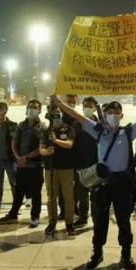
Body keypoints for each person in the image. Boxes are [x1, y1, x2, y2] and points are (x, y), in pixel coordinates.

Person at [51, 94, 136, 270]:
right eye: (110, 112)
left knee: (124, 222)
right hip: (102, 185)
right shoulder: (97, 130)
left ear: (122, 115)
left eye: (116, 112)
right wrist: (59, 103)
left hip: (122, 186)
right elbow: (77, 116)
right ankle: (97, 253)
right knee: (99, 221)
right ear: (105, 113)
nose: (113, 115)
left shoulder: (128, 131)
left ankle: (126, 254)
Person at [0, 100, 47, 228]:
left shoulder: (43, 127)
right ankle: (13, 214)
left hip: (35, 166)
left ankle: (35, 216)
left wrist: (26, 158)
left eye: (35, 108)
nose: (32, 109)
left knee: (36, 193)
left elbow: (41, 147)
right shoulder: (21, 126)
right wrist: (18, 157)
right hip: (21, 165)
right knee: (18, 191)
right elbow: (14, 143)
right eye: (30, 107)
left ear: (40, 111)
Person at [41, 104, 76, 235]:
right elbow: (41, 149)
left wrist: (55, 141)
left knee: (69, 197)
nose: (57, 116)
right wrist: (46, 152)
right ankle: (52, 222)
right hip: (50, 168)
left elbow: (69, 144)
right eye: (54, 114)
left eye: (58, 114)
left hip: (66, 168)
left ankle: (69, 223)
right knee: (51, 198)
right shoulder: (46, 131)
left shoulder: (69, 129)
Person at [71, 96, 99, 227]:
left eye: (90, 106)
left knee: (95, 194)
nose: (87, 108)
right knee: (81, 193)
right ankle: (83, 216)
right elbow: (72, 144)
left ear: (95, 108)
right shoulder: (77, 124)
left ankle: (96, 217)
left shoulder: (100, 126)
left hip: (95, 164)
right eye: (85, 105)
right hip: (80, 164)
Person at [57, 94, 78, 220]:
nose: (71, 104)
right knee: (61, 187)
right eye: (69, 102)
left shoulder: (78, 118)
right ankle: (63, 209)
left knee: (75, 187)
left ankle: (74, 207)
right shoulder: (59, 117)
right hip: (62, 157)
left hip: (75, 157)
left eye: (73, 102)